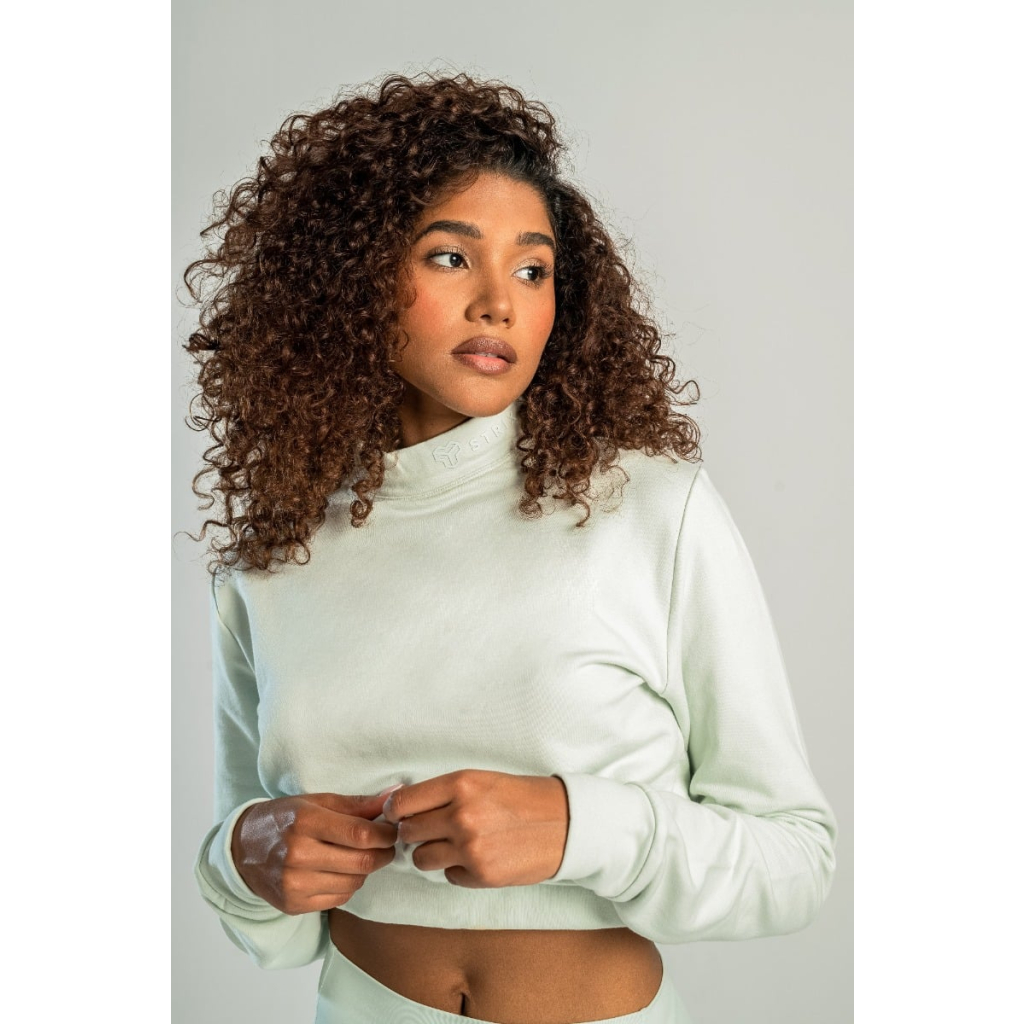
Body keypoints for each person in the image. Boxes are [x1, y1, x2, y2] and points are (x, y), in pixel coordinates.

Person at [183, 71, 838, 1024]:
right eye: (451, 257)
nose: (499, 302)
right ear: (350, 279)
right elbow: (273, 928)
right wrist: (244, 855)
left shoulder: (650, 510)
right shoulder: (275, 554)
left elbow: (795, 861)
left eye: (533, 271)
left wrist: (580, 827)